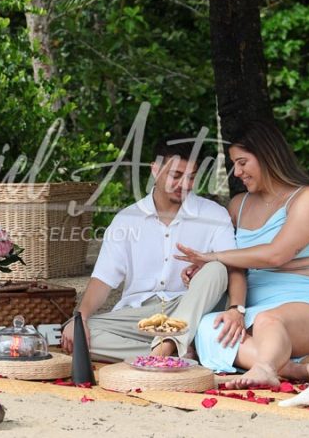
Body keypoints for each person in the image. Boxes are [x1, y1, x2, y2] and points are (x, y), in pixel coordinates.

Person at [176, 120, 309, 389]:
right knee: (207, 327)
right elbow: (235, 262)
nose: (237, 172)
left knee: (269, 320)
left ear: (267, 155)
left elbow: (277, 254)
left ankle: (265, 368)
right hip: (253, 311)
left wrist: (213, 256)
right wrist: (207, 272)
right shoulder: (238, 205)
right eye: (234, 164)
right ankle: (290, 368)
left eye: (243, 162)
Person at [61, 135, 237, 362]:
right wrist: (80, 318)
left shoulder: (214, 215)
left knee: (217, 268)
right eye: (176, 175)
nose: (184, 185)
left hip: (187, 307)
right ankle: (176, 354)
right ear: (155, 170)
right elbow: (103, 279)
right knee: (77, 333)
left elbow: (231, 269)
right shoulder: (126, 220)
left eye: (191, 177)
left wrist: (206, 265)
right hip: (138, 316)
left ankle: (166, 348)